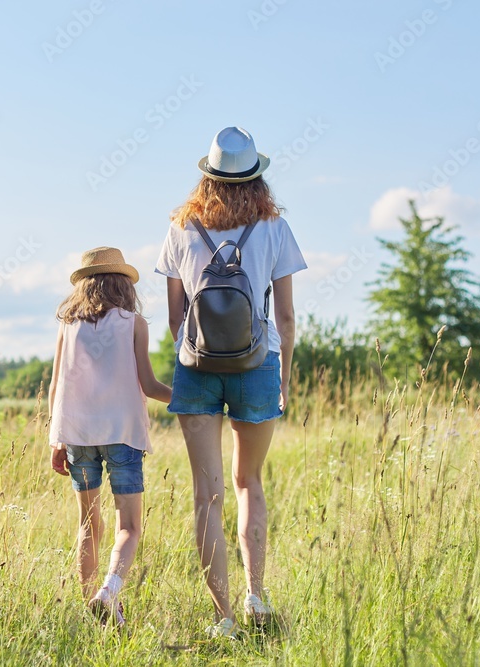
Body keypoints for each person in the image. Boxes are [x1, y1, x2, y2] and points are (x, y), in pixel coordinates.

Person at [155, 127, 307, 637]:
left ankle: (223, 617)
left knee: (208, 494)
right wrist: (283, 377)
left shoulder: (181, 227)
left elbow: (175, 318)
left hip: (196, 367)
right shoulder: (274, 227)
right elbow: (286, 318)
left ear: (208, 175)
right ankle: (255, 596)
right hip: (257, 364)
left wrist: (196, 353)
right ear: (256, 177)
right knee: (249, 483)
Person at [47, 246, 172, 629]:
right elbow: (149, 386)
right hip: (123, 435)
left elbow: (55, 386)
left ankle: (94, 610)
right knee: (128, 527)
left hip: (77, 435)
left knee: (88, 524)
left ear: (84, 286)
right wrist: (193, 399)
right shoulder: (134, 323)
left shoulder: (68, 326)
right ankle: (109, 591)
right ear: (123, 284)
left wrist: (56, 439)